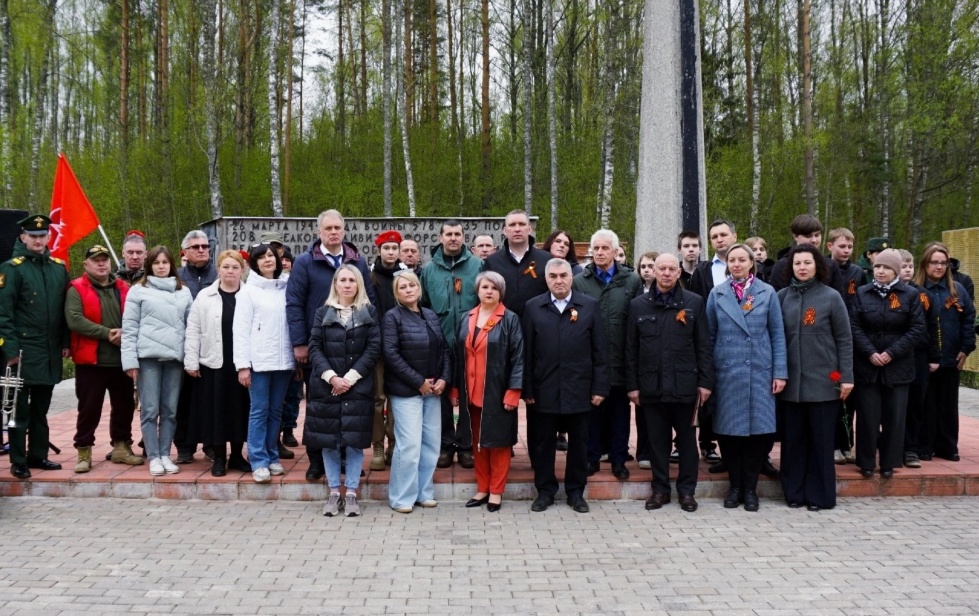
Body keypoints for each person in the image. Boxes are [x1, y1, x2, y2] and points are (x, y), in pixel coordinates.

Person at [286, 209, 376, 481]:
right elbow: (294, 303)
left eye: (338, 228)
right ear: (319, 232)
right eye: (328, 228)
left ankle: (348, 459)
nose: (334, 232)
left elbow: (369, 299)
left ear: (344, 230)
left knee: (351, 407)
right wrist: (300, 342)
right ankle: (317, 460)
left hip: (354, 347)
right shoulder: (305, 262)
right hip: (320, 347)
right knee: (320, 406)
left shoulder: (357, 261)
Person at [626, 254, 713, 513]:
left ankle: (687, 492)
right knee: (657, 443)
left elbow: (703, 345)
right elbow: (630, 349)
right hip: (651, 386)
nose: (666, 273)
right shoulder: (638, 305)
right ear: (653, 271)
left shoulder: (694, 303)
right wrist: (632, 385)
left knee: (687, 443)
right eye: (661, 268)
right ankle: (660, 490)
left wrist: (705, 382)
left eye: (671, 269)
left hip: (685, 385)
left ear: (678, 273)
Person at [705, 243, 787, 511]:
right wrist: (708, 375)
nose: (737, 264)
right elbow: (709, 337)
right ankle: (735, 487)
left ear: (752, 263)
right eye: (732, 260)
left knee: (757, 435)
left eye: (742, 259)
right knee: (729, 434)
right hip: (727, 373)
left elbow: (777, 334)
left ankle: (750, 489)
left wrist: (780, 372)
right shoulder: (717, 294)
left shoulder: (767, 292)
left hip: (759, 372)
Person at [524, 258, 608, 514]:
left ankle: (575, 492)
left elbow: (600, 351)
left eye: (563, 276)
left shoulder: (589, 306)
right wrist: (527, 388)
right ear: (546, 279)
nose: (558, 281)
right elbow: (527, 352)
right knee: (543, 444)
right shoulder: (533, 307)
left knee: (579, 444)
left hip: (579, 387)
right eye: (553, 276)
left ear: (572, 277)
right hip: (544, 388)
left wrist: (599, 388)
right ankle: (545, 491)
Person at [776, 245, 854, 511]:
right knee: (793, 442)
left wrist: (846, 377)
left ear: (817, 266)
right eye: (797, 263)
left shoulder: (831, 297)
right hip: (790, 385)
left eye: (807, 263)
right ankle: (794, 493)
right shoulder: (782, 297)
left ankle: (819, 496)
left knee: (821, 443)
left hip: (823, 382)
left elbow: (844, 339)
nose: (802, 267)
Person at [306, 265, 381, 517]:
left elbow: (373, 348)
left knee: (353, 442)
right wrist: (332, 377)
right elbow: (315, 347)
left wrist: (349, 378)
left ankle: (350, 493)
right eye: (342, 280)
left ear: (358, 284)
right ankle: (333, 492)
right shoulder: (323, 312)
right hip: (327, 387)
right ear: (335, 284)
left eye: (352, 280)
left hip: (357, 386)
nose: (347, 284)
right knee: (329, 442)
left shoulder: (368, 312)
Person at [0, 214, 70, 479]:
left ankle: (38, 455)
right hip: (22, 351)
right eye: (33, 236)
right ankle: (18, 460)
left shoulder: (58, 268)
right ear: (23, 237)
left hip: (49, 350)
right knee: (19, 410)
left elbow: (64, 310)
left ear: (48, 237)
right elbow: (3, 314)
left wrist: (65, 342)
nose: (38, 240)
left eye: (42, 236)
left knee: (41, 408)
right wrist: (9, 351)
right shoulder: (12, 268)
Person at [450, 271, 523, 512]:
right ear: (477, 291)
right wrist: (455, 388)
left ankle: (496, 491)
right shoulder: (467, 317)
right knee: (477, 443)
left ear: (501, 292)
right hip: (470, 393)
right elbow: (457, 356)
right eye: (485, 287)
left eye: (494, 287)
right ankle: (482, 488)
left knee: (499, 443)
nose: (489, 291)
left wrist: (513, 390)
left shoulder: (509, 319)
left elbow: (518, 358)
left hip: (497, 392)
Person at [849, 248, 926, 478]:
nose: (880, 271)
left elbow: (917, 329)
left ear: (896, 271)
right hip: (868, 365)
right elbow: (854, 326)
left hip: (898, 366)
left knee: (895, 416)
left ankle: (889, 463)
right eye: (878, 267)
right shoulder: (862, 293)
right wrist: (871, 352)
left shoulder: (910, 295)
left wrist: (891, 353)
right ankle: (866, 462)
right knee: (867, 416)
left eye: (886, 268)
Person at [65, 244, 142, 473]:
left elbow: (136, 316)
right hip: (91, 361)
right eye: (95, 260)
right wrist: (107, 333)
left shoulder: (123, 287)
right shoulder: (76, 288)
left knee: (124, 407)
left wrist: (124, 332)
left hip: (121, 360)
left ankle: (121, 447)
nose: (101, 264)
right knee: (89, 409)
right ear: (86, 264)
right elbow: (74, 320)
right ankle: (84, 451)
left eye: (104, 260)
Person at [573, 229, 642, 480]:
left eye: (605, 248)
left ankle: (618, 459)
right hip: (589, 359)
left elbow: (636, 321)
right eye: (596, 248)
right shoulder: (580, 281)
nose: (600, 253)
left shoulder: (631, 280)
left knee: (619, 413)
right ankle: (591, 458)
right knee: (592, 412)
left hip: (621, 357)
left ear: (615, 251)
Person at [121, 246, 193, 477]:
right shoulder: (138, 291)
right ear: (149, 266)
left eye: (165, 262)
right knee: (150, 410)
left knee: (170, 411)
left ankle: (165, 454)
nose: (161, 266)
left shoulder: (184, 292)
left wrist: (191, 358)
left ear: (171, 264)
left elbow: (191, 328)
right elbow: (129, 328)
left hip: (174, 360)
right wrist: (130, 361)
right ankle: (153, 456)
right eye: (156, 262)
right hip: (148, 359)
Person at [383, 271, 451, 514]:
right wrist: (418, 382)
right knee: (409, 445)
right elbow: (391, 354)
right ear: (397, 293)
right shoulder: (392, 317)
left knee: (430, 444)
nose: (408, 290)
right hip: (406, 392)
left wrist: (444, 378)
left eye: (412, 285)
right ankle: (401, 497)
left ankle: (424, 492)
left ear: (419, 288)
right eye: (402, 287)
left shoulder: (430, 315)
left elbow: (444, 349)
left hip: (433, 391)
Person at [419, 220, 482, 469]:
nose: (453, 238)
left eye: (457, 234)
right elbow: (423, 306)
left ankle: (466, 446)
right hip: (439, 342)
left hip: (470, 343)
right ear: (441, 237)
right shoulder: (429, 270)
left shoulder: (477, 265)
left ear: (464, 237)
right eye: (449, 234)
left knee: (467, 394)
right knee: (441, 395)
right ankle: (445, 446)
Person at [184, 250, 252, 477]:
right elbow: (193, 329)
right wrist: (191, 361)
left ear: (242, 270)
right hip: (214, 363)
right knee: (217, 412)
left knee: (240, 410)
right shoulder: (205, 296)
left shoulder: (250, 295)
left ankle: (237, 456)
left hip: (242, 364)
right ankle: (220, 457)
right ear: (219, 269)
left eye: (235, 267)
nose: (230, 271)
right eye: (226, 267)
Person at [235, 243, 296, 483]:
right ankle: (258, 459)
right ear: (254, 263)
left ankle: (272, 455)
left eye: (271, 255)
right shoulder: (248, 292)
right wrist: (243, 365)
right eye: (261, 257)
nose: (267, 260)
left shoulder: (286, 287)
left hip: (283, 361)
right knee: (259, 410)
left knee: (276, 410)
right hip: (259, 361)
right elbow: (240, 331)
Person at [915, 243, 976, 463]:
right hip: (924, 358)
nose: (939, 267)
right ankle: (924, 446)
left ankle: (947, 446)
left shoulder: (957, 290)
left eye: (943, 263)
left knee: (948, 404)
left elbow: (969, 318)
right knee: (926, 403)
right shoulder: (916, 289)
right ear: (925, 264)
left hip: (951, 355)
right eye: (934, 262)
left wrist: (966, 347)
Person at [688, 219, 738, 467]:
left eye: (723, 234)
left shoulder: (750, 266)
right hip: (712, 339)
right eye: (714, 236)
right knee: (710, 392)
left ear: (734, 236)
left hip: (742, 342)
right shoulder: (703, 271)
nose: (719, 239)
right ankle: (707, 445)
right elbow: (697, 306)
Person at [173, 229, 218, 464]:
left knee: (211, 400)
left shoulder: (220, 274)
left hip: (214, 348)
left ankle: (211, 444)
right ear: (185, 252)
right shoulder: (176, 277)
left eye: (205, 246)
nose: (202, 250)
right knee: (184, 400)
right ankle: (184, 446)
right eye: (196, 247)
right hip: (184, 347)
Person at [368, 230, 407, 470]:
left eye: (394, 248)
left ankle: (394, 443)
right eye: (386, 248)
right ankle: (377, 446)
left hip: (401, 347)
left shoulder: (406, 277)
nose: (391, 252)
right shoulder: (370, 277)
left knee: (396, 398)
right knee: (377, 398)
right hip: (377, 347)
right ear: (379, 250)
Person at [898, 249, 929, 470]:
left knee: (916, 404)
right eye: (903, 266)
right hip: (895, 357)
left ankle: (911, 448)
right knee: (895, 406)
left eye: (910, 266)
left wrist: (934, 356)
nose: (907, 270)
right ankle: (892, 445)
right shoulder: (887, 294)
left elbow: (932, 325)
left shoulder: (922, 294)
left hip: (918, 356)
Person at [633, 250, 660, 470]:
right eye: (643, 267)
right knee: (642, 410)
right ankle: (643, 450)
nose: (647, 270)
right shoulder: (635, 294)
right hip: (643, 360)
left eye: (651, 266)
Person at [767, 214, 844, 293]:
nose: (814, 240)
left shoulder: (831, 265)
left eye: (817, 235)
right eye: (808, 236)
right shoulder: (782, 266)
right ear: (795, 236)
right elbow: (777, 297)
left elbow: (838, 297)